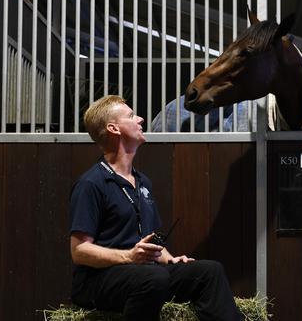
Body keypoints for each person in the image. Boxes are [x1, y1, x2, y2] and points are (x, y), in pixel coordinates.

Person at [69, 95, 241, 321]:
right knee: (152, 278)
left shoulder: (142, 182)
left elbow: (153, 244)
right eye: (131, 116)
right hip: (99, 279)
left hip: (143, 273)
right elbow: (79, 251)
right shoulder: (92, 184)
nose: (140, 119)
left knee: (210, 271)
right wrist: (129, 257)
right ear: (113, 128)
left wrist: (170, 259)